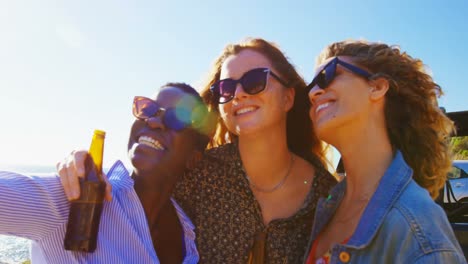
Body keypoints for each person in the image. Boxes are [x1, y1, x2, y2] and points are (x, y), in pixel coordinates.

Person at [58, 38, 337, 263]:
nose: (238, 93)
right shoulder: (199, 172)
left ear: (288, 97)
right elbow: (130, 195)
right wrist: (80, 165)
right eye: (226, 88)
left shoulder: (325, 194)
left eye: (255, 80)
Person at [0, 82, 215, 263]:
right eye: (147, 109)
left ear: (193, 158)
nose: (153, 121)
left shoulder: (189, 234)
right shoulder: (75, 196)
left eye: (176, 118)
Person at [304, 40, 466, 263]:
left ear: (377, 87)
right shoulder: (324, 208)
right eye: (310, 86)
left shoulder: (417, 227)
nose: (313, 92)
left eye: (327, 75)